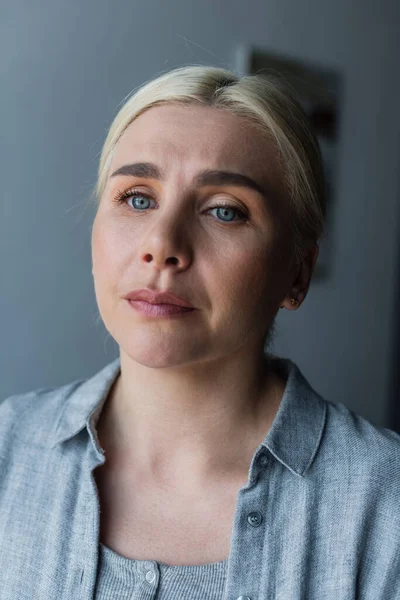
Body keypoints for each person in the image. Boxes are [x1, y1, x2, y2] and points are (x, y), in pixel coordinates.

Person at [0, 65, 399, 600]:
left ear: (297, 273)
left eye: (225, 211)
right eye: (137, 198)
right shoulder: (7, 451)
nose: (162, 243)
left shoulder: (386, 507)